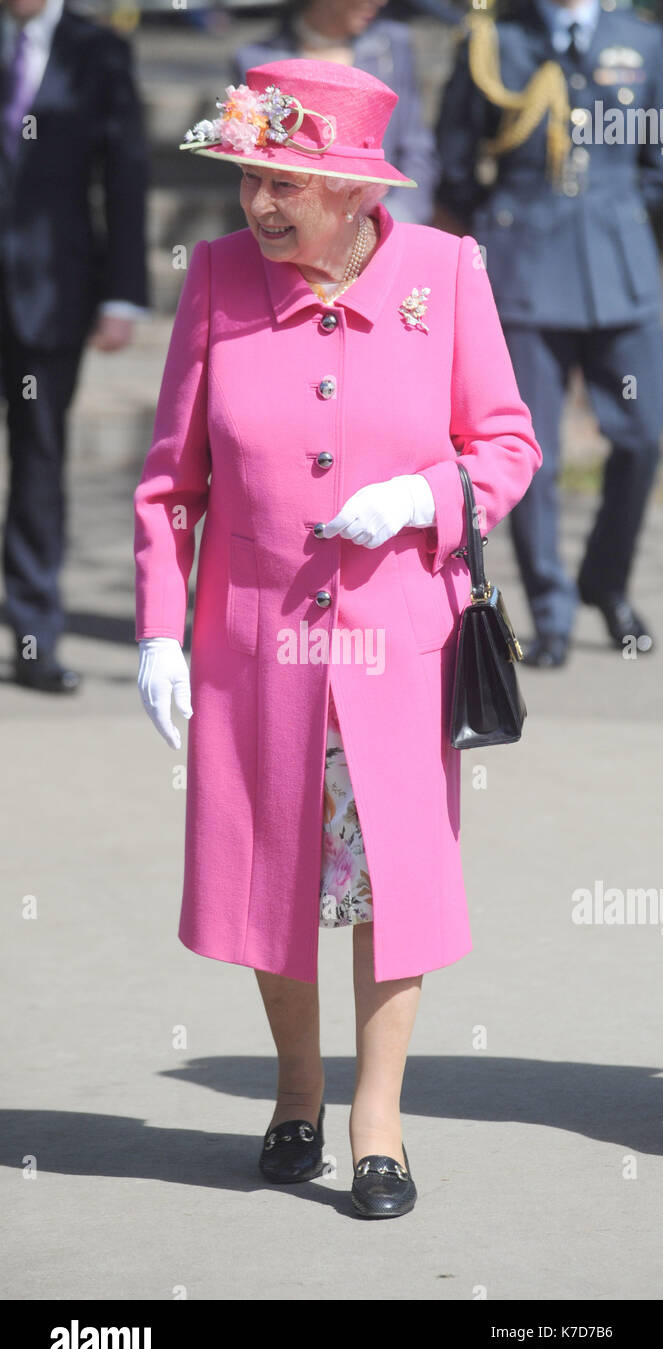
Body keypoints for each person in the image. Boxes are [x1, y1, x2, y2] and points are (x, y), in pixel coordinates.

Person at [133, 58, 542, 1219]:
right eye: (251, 180)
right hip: (255, 645)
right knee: (276, 875)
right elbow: (171, 485)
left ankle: (379, 1121)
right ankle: (297, 1094)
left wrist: (424, 499)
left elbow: (506, 444)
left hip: (396, 646)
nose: (261, 206)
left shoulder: (448, 273)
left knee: (390, 883)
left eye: (287, 184)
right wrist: (161, 629)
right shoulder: (215, 279)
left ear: (358, 191)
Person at [434, 0, 663, 666]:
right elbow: (455, 155)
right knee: (528, 453)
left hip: (619, 267)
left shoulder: (641, 39)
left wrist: (622, 217)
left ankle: (605, 580)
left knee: (645, 433)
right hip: (522, 268)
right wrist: (500, 228)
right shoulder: (491, 41)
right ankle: (550, 612)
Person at [0, 0, 149, 692]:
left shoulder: (97, 49)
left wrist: (122, 293)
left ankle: (35, 641)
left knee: (38, 464)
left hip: (50, 295)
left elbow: (123, 173)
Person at [233, 0, 438, 224]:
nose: (381, 2)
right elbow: (257, 167)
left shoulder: (391, 47)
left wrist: (392, 222)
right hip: (291, 226)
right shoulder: (255, 61)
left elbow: (417, 149)